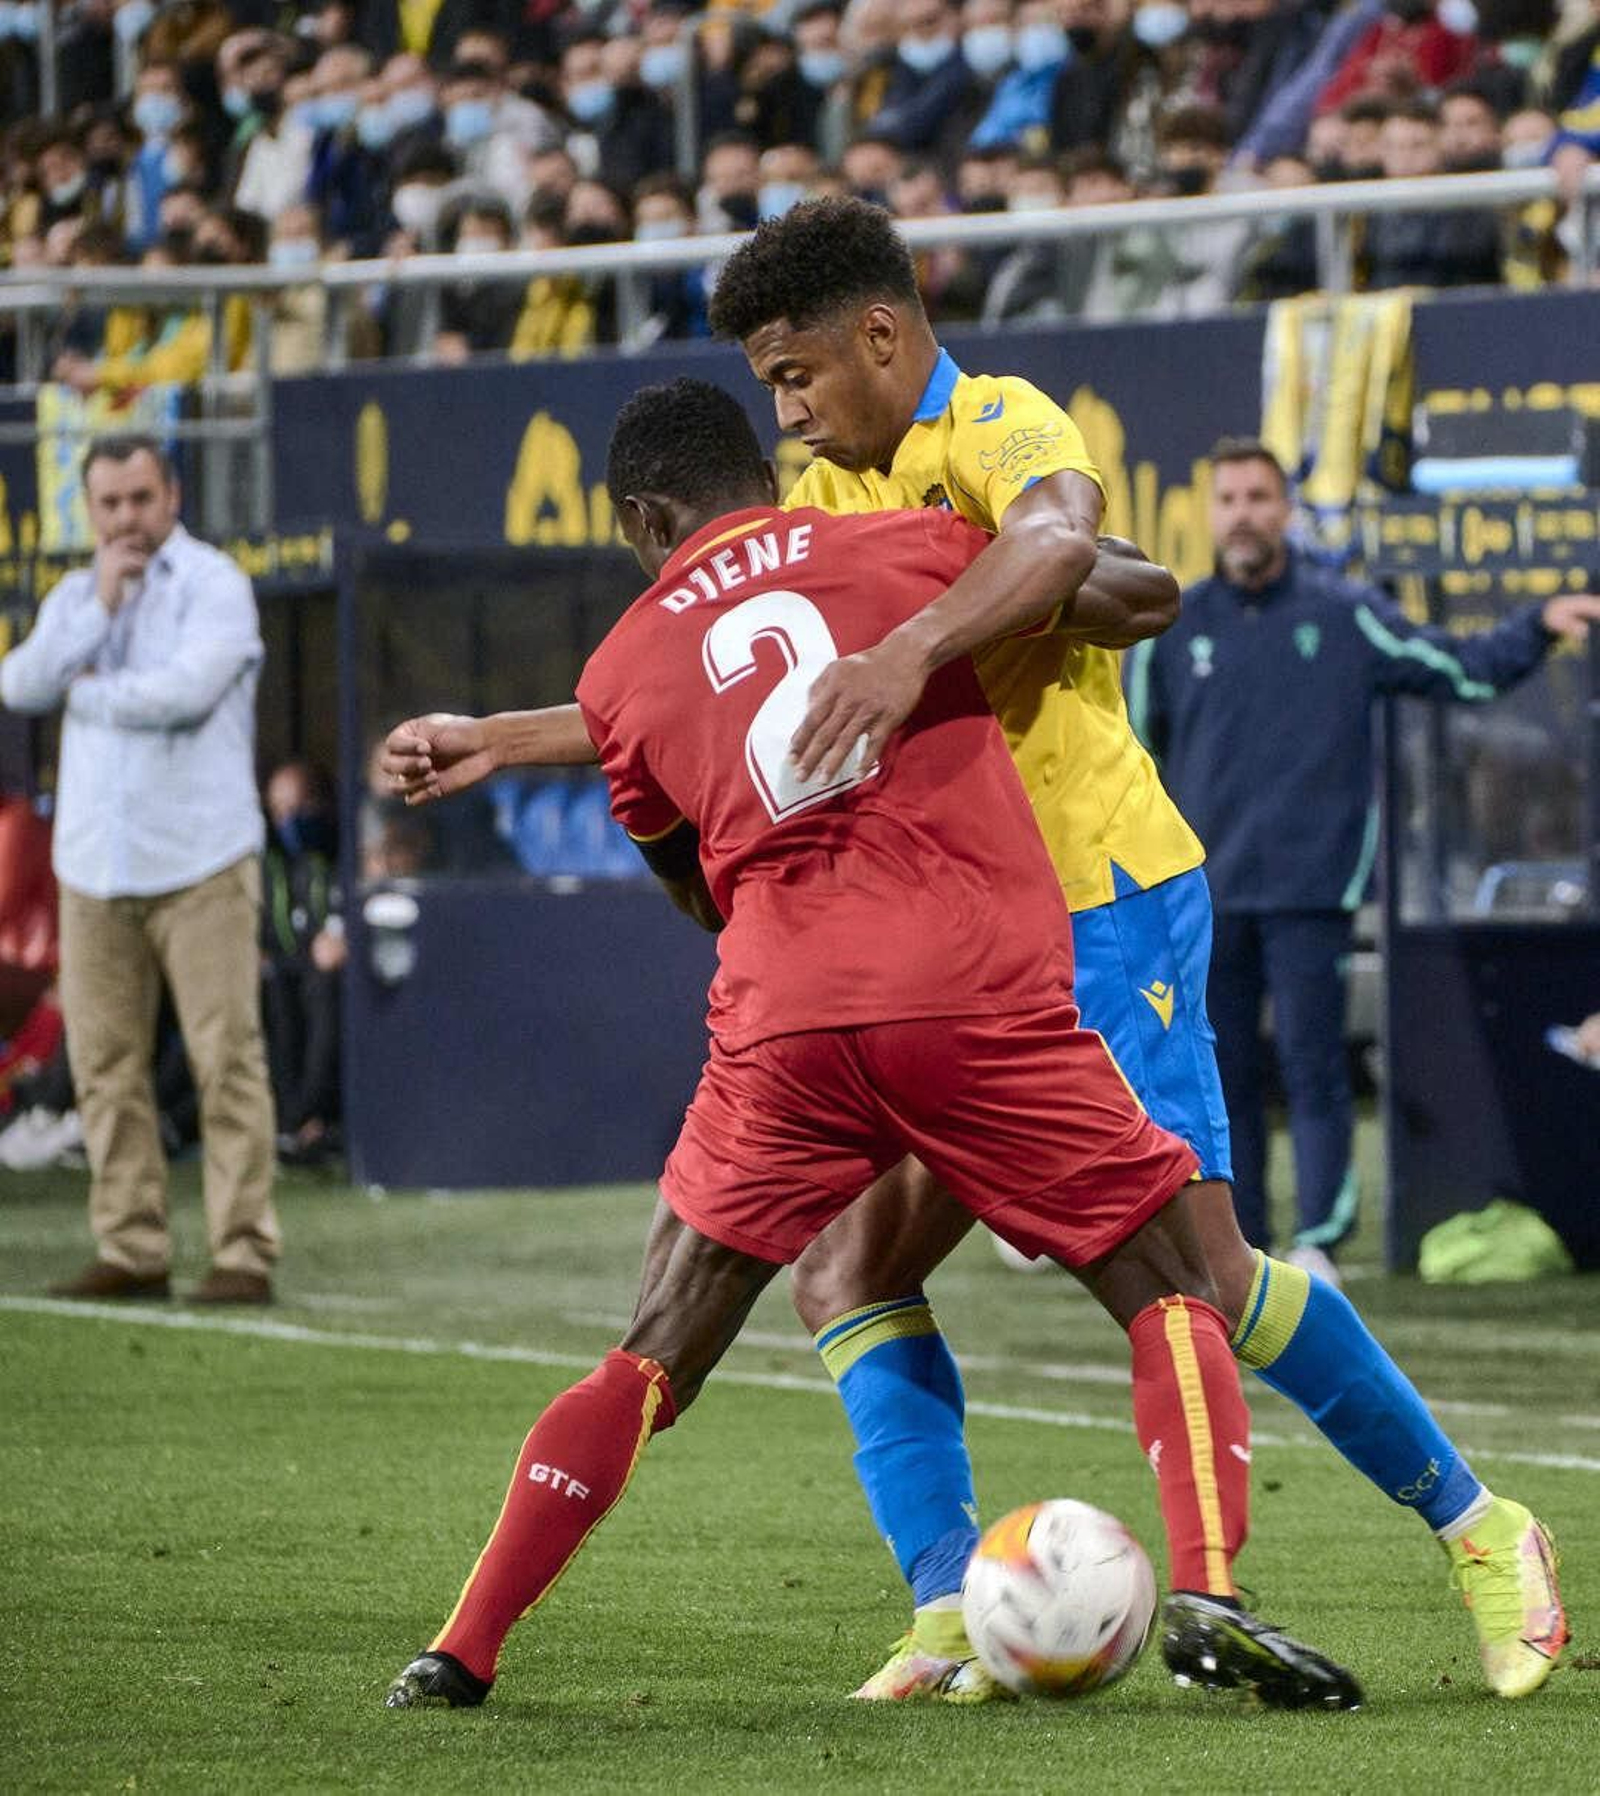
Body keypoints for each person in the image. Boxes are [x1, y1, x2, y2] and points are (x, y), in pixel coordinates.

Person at [382, 197, 1569, 1707]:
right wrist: (508, 737)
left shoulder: (999, 423)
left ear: (883, 333)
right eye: (770, 389)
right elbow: (730, 684)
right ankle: (952, 1606)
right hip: (944, 938)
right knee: (846, 1271)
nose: (789, 412)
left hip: (1095, 897)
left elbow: (1106, 569)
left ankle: (1482, 1526)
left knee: (1201, 1265)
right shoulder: (835, 505)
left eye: (800, 375)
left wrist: (930, 643)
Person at [1127, 436, 1600, 1274]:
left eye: (1258, 499)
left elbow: (1457, 667)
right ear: (1210, 514)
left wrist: (1535, 626)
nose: (1244, 514)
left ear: (1287, 512)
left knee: (1315, 1067)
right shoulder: (1171, 627)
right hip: (1201, 891)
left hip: (1315, 886)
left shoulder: (1344, 614)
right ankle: (1238, 1241)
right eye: (1229, 499)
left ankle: (1317, 1243)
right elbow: (1132, 758)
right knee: (1220, 1074)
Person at [0, 435, 280, 1304]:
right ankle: (131, 1243)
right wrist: (94, 617)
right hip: (94, 866)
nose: (125, 519)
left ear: (174, 496)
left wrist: (88, 691)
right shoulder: (77, 596)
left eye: (140, 499)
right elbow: (18, 684)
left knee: (225, 1060)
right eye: (110, 503)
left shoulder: (216, 586)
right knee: (103, 1066)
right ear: (90, 510)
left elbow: (185, 695)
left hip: (201, 860)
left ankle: (243, 1251)